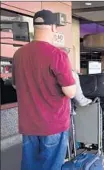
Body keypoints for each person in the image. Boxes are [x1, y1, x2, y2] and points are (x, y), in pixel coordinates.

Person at [12, 10, 76, 170]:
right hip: (53, 124)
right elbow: (71, 92)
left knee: (30, 166)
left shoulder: (18, 54)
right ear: (54, 27)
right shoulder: (57, 55)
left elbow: (15, 84)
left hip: (28, 124)